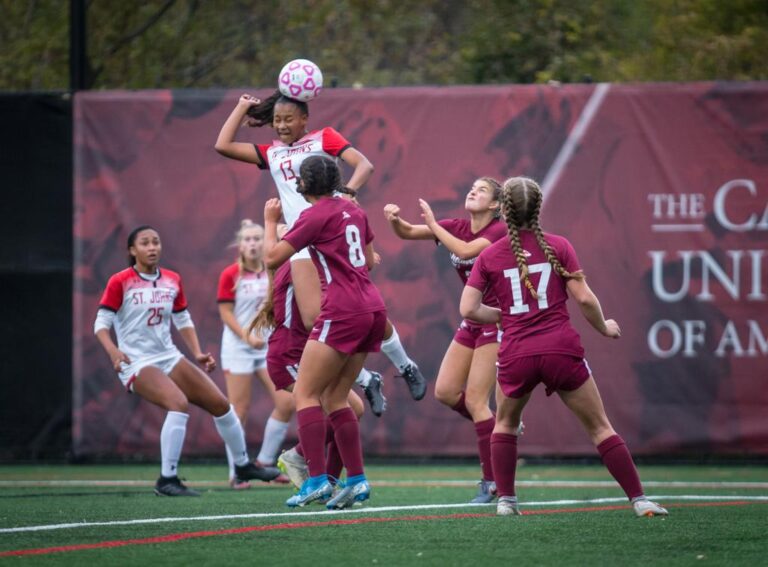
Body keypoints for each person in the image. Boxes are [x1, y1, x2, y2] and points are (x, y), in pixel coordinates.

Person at [460, 176, 669, 518]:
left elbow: (468, 308)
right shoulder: (558, 245)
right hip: (560, 350)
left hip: (516, 352)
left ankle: (506, 502)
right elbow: (584, 298)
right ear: (538, 208)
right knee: (600, 427)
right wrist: (604, 327)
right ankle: (639, 499)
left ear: (506, 211)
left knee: (506, 424)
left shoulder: (490, 254)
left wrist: (502, 315)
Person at [214, 92, 426, 398]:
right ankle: (367, 379)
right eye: (276, 120)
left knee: (360, 305)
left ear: (304, 120)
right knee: (315, 317)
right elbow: (223, 146)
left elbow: (364, 165)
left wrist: (349, 191)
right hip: (301, 238)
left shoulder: (324, 137)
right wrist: (241, 107)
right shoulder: (271, 152)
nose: (282, 125)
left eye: (288, 119)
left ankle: (405, 365)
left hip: (332, 231)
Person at [94, 225, 280, 497]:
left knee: (222, 406)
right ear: (132, 250)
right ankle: (167, 480)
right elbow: (101, 322)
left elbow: (182, 318)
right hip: (135, 361)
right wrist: (112, 350)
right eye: (145, 243)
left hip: (169, 356)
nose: (152, 247)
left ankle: (242, 466)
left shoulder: (171, 279)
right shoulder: (120, 280)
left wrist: (197, 352)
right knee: (178, 403)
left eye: (156, 242)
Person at [263, 155, 387, 510]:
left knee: (306, 394)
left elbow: (273, 258)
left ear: (303, 184)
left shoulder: (314, 214)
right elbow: (366, 258)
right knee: (336, 398)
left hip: (343, 309)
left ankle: (315, 480)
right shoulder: (354, 210)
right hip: (373, 307)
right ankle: (358, 481)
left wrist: (270, 224)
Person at [383, 177, 515, 503]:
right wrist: (395, 220)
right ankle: (500, 431)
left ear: (496, 205)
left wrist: (433, 225)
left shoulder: (497, 232)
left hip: (497, 318)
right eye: (472, 187)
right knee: (444, 391)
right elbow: (409, 233)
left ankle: (491, 482)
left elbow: (466, 250)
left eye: (482, 190)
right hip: (473, 318)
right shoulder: (455, 225)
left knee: (475, 401)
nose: (473, 191)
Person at [248, 224, 369, 489]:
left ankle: (329, 479)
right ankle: (304, 464)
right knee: (336, 406)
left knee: (353, 408)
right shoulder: (300, 264)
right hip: (289, 355)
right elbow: (312, 319)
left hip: (308, 352)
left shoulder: (312, 260)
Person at [217, 219, 292, 488]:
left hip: (268, 348)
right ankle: (237, 472)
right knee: (239, 410)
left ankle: (265, 463)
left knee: (287, 403)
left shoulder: (273, 269)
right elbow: (225, 313)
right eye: (247, 239)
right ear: (239, 244)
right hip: (238, 348)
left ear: (265, 243)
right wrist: (247, 335)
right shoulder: (231, 275)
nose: (252, 244)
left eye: (257, 239)